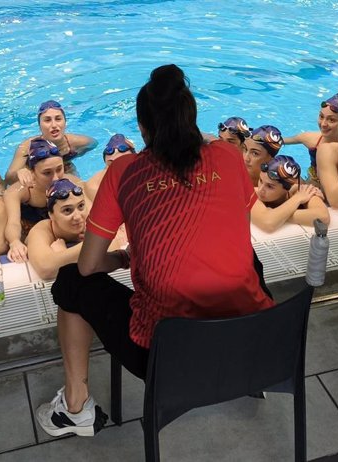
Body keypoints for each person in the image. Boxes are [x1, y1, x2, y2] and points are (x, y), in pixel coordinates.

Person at [35, 64, 274, 438]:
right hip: (254, 341)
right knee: (248, 258)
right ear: (191, 118)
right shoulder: (229, 156)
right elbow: (236, 238)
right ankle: (244, 378)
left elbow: (87, 265)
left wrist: (123, 258)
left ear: (143, 129)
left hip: (167, 358)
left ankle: (76, 407)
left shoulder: (124, 172)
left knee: (70, 281)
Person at [3, 138, 84, 262]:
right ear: (32, 172)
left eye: (59, 169)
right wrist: (14, 242)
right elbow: (13, 223)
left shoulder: (72, 183)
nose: (56, 178)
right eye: (47, 173)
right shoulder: (18, 192)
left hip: (63, 232)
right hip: (32, 234)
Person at [5, 100, 96, 185]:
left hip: (65, 169)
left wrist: (71, 157)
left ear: (65, 122)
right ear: (40, 126)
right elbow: (9, 178)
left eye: (58, 119)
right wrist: (21, 172)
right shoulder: (28, 146)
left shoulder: (77, 142)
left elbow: (94, 144)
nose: (54, 125)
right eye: (47, 120)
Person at [283, 92, 338, 182]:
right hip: (310, 185)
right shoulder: (312, 139)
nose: (323, 124)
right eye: (321, 116)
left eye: (331, 120)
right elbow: (279, 141)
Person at [251, 155, 330, 232]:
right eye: (261, 181)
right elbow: (268, 223)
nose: (261, 189)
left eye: (270, 186)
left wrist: (276, 216)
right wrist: (297, 199)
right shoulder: (251, 194)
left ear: (287, 188)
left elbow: (323, 217)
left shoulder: (303, 191)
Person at [84, 134, 136, 200]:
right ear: (107, 164)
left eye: (123, 164)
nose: (118, 171)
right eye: (112, 165)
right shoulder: (94, 187)